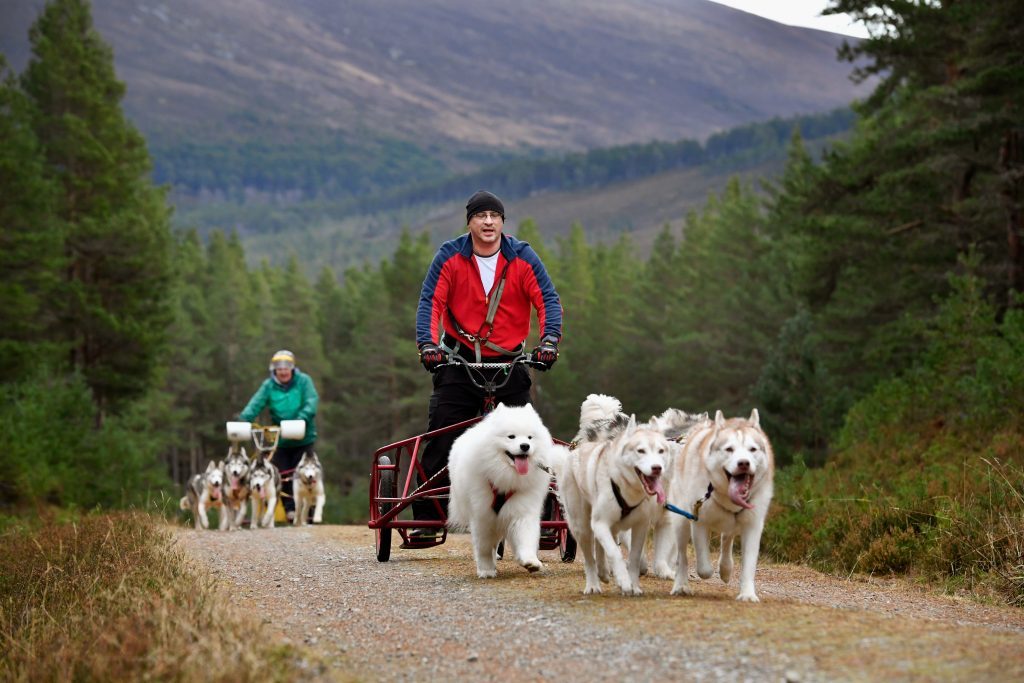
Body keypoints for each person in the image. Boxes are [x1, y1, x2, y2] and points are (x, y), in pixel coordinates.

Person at [411, 190, 562, 540]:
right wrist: (427, 345)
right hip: (459, 361)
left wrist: (550, 341)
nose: (488, 221)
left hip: (509, 363)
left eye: (495, 215)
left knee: (528, 440)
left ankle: (536, 519)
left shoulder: (522, 257)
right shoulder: (449, 256)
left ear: (503, 222)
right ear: (470, 222)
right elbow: (430, 302)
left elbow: (547, 299)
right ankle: (429, 519)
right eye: (481, 216)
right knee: (443, 433)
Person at [238, 349, 319, 522]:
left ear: (293, 367)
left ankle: (309, 511)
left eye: (287, 366)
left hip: (303, 436)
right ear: (273, 370)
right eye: (278, 367)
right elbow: (256, 403)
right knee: (281, 474)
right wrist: (244, 419)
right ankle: (290, 510)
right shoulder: (269, 385)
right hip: (280, 439)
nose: (283, 371)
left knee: (306, 473)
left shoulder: (304, 381)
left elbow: (311, 401)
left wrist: (301, 418)